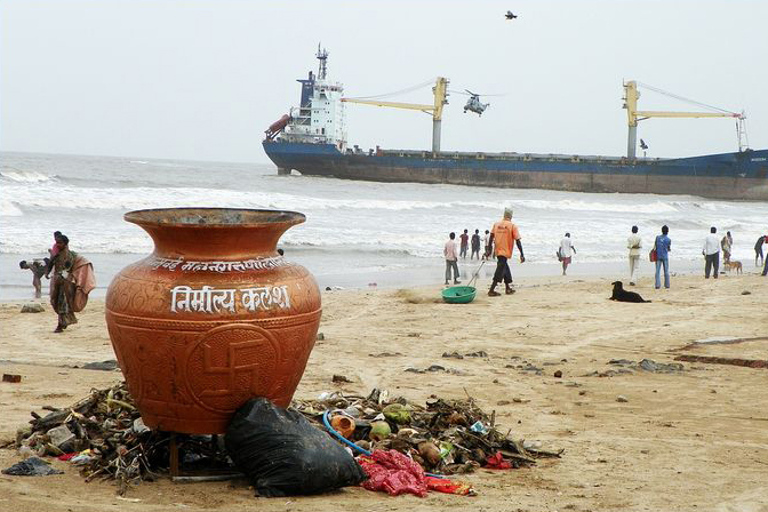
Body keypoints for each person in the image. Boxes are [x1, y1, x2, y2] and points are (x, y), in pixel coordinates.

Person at [47, 235, 96, 333]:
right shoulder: (57, 254)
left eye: (60, 242)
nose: (58, 244)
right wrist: (47, 272)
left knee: (63, 303)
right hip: (58, 283)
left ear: (65, 244)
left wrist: (63, 278)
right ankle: (64, 322)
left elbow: (67, 269)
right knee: (55, 302)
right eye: (56, 242)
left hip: (66, 284)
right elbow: (52, 264)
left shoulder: (70, 255)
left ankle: (60, 325)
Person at [488, 207, 525, 296]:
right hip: (505, 251)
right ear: (511, 216)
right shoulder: (512, 226)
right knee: (500, 269)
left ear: (504, 215)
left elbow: (491, 236)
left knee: (504, 267)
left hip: (498, 250)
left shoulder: (496, 224)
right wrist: (522, 254)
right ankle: (491, 290)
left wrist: (489, 249)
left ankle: (508, 288)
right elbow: (518, 240)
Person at [654, 225, 672, 289]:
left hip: (658, 255)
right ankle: (667, 285)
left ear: (662, 231)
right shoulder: (668, 239)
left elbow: (655, 246)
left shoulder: (657, 237)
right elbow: (668, 248)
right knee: (666, 271)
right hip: (665, 256)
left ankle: (657, 285)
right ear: (667, 231)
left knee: (657, 271)